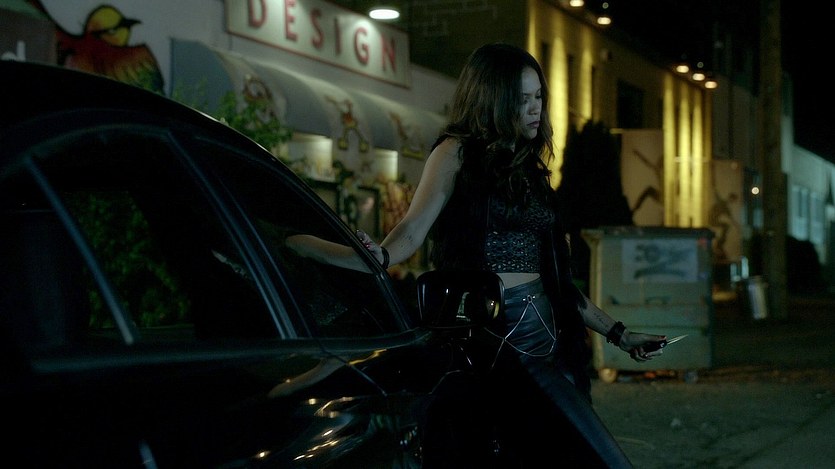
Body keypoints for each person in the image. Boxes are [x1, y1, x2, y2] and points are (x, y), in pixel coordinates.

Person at [287, 42, 667, 468]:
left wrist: (618, 334)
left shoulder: (530, 170)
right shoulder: (455, 152)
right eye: (521, 99)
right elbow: (412, 229)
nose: (535, 109)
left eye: (538, 96)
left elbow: (558, 283)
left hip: (546, 341)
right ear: (493, 99)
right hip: (494, 338)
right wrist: (379, 255)